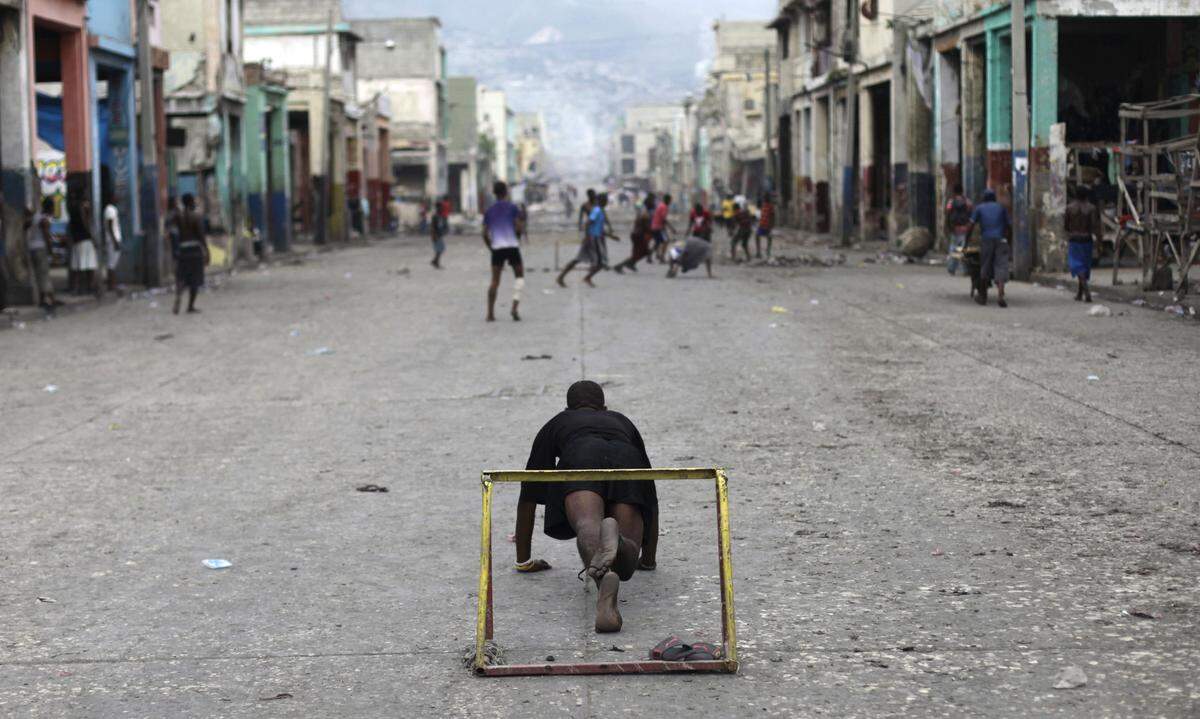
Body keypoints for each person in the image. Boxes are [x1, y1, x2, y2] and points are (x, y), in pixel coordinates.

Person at [524, 381, 658, 633]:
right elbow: (650, 495)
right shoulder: (622, 421)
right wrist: (649, 559)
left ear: (568, 408)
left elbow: (529, 491)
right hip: (626, 459)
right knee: (627, 563)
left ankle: (602, 579)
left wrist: (523, 560)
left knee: (588, 524)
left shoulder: (559, 422)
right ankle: (618, 542)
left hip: (580, 455)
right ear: (604, 407)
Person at [482, 181, 525, 322]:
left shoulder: (489, 211)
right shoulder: (512, 208)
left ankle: (490, 314)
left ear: (494, 193)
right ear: (506, 192)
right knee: (519, 278)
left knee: (495, 281)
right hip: (512, 246)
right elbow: (518, 227)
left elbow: (484, 233)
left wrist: (491, 247)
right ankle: (514, 308)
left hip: (497, 248)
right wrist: (517, 238)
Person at [965, 188, 1011, 308]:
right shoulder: (1001, 208)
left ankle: (983, 296)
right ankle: (1000, 295)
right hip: (1001, 239)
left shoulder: (979, 208)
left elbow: (970, 225)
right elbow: (1009, 226)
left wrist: (966, 241)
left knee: (985, 266)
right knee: (1001, 266)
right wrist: (1007, 240)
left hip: (987, 240)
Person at [557, 193, 616, 287]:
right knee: (601, 262)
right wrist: (588, 237)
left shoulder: (600, 211)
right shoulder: (596, 211)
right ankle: (587, 277)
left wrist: (610, 235)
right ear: (600, 201)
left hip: (594, 238)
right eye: (605, 200)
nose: (606, 202)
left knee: (578, 259)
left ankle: (562, 277)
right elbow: (587, 224)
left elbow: (598, 228)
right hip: (593, 239)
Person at [173, 194, 210, 314]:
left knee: (181, 276)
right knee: (195, 279)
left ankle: (179, 295)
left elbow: (173, 233)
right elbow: (201, 235)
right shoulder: (196, 217)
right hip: (195, 250)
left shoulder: (178, 217)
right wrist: (206, 250)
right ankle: (190, 306)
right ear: (191, 202)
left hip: (183, 249)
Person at [1065, 184, 1101, 303]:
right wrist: (1099, 242)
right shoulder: (1091, 208)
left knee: (1076, 265)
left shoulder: (1069, 208)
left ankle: (1086, 292)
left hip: (1074, 238)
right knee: (1085, 266)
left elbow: (1066, 226)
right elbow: (1095, 226)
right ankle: (1080, 293)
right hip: (1087, 239)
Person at [24, 198, 58, 309]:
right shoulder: (44, 220)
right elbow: (46, 236)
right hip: (40, 248)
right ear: (49, 207)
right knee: (44, 274)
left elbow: (25, 226)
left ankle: (42, 299)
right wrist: (51, 251)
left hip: (32, 248)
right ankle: (50, 299)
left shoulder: (35, 217)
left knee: (38, 275)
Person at [667, 202, 715, 279]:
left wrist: (708, 229)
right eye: (697, 212)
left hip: (705, 234)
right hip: (696, 233)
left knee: (707, 252)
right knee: (688, 250)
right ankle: (683, 266)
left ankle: (709, 273)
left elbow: (710, 223)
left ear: (702, 210)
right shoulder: (693, 213)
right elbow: (690, 223)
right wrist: (687, 233)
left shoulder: (706, 213)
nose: (698, 213)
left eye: (700, 212)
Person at [615, 194, 654, 273]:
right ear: (650, 205)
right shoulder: (646, 214)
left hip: (636, 234)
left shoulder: (642, 212)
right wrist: (653, 231)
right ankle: (619, 266)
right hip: (639, 235)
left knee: (641, 252)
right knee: (642, 253)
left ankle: (631, 264)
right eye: (653, 202)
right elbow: (646, 227)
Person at [68, 199, 98, 295]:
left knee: (80, 266)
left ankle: (80, 288)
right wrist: (93, 238)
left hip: (78, 240)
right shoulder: (82, 214)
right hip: (84, 240)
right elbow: (87, 225)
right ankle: (87, 287)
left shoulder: (73, 212)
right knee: (87, 265)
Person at [944, 184, 973, 276]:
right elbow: (971, 214)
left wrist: (948, 227)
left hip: (955, 229)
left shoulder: (951, 202)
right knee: (964, 250)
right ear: (962, 191)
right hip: (965, 229)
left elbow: (947, 214)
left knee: (953, 249)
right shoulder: (968, 202)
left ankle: (951, 268)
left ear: (954, 192)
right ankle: (965, 269)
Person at [103, 195, 122, 291]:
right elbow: (110, 226)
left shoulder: (111, 209)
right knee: (112, 263)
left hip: (113, 239)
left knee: (113, 262)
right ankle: (111, 285)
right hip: (112, 240)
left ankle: (112, 284)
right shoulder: (110, 210)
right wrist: (115, 241)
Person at [650, 193, 676, 263]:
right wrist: (671, 228)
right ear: (668, 200)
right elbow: (663, 219)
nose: (670, 202)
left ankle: (649, 256)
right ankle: (662, 258)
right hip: (659, 227)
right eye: (670, 200)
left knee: (657, 243)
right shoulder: (664, 207)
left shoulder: (660, 205)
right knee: (666, 241)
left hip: (654, 226)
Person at [430, 202, 449, 269]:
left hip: (439, 234)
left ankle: (435, 261)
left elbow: (441, 225)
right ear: (437, 208)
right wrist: (433, 235)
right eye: (440, 207)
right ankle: (436, 262)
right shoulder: (435, 216)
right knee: (439, 249)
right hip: (436, 235)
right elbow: (432, 226)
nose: (442, 208)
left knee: (440, 249)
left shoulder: (440, 216)